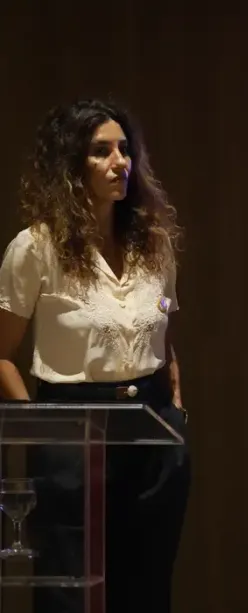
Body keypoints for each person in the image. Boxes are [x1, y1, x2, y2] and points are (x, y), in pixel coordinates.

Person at [0, 99, 189, 613]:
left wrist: (175, 410)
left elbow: (165, 338)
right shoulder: (34, 249)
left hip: (152, 433)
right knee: (70, 591)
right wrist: (38, 426)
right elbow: (2, 354)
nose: (119, 162)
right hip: (71, 433)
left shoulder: (154, 244)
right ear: (70, 163)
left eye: (125, 150)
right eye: (101, 151)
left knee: (146, 590)